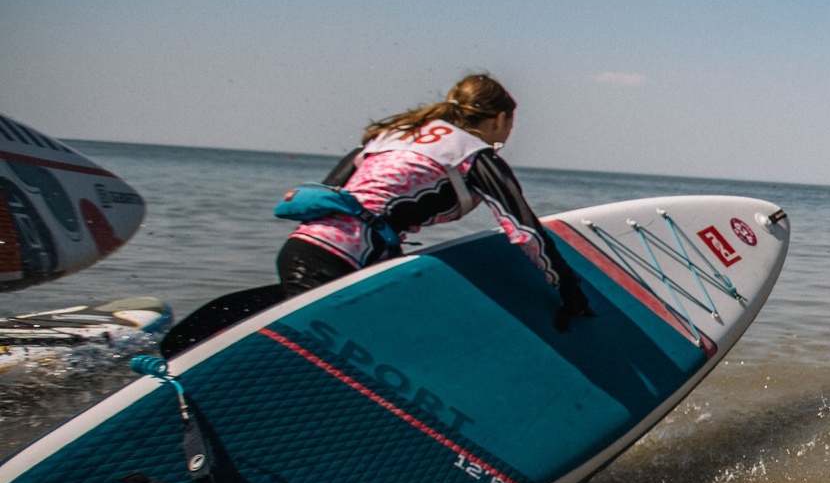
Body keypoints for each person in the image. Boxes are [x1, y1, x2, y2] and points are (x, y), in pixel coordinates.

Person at [163, 73, 593, 357]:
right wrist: (570, 292)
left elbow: (331, 193)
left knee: (304, 331)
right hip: (342, 261)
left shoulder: (393, 136)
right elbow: (524, 232)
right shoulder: (474, 155)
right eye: (510, 123)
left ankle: (196, 343)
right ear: (500, 118)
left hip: (305, 247)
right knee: (332, 356)